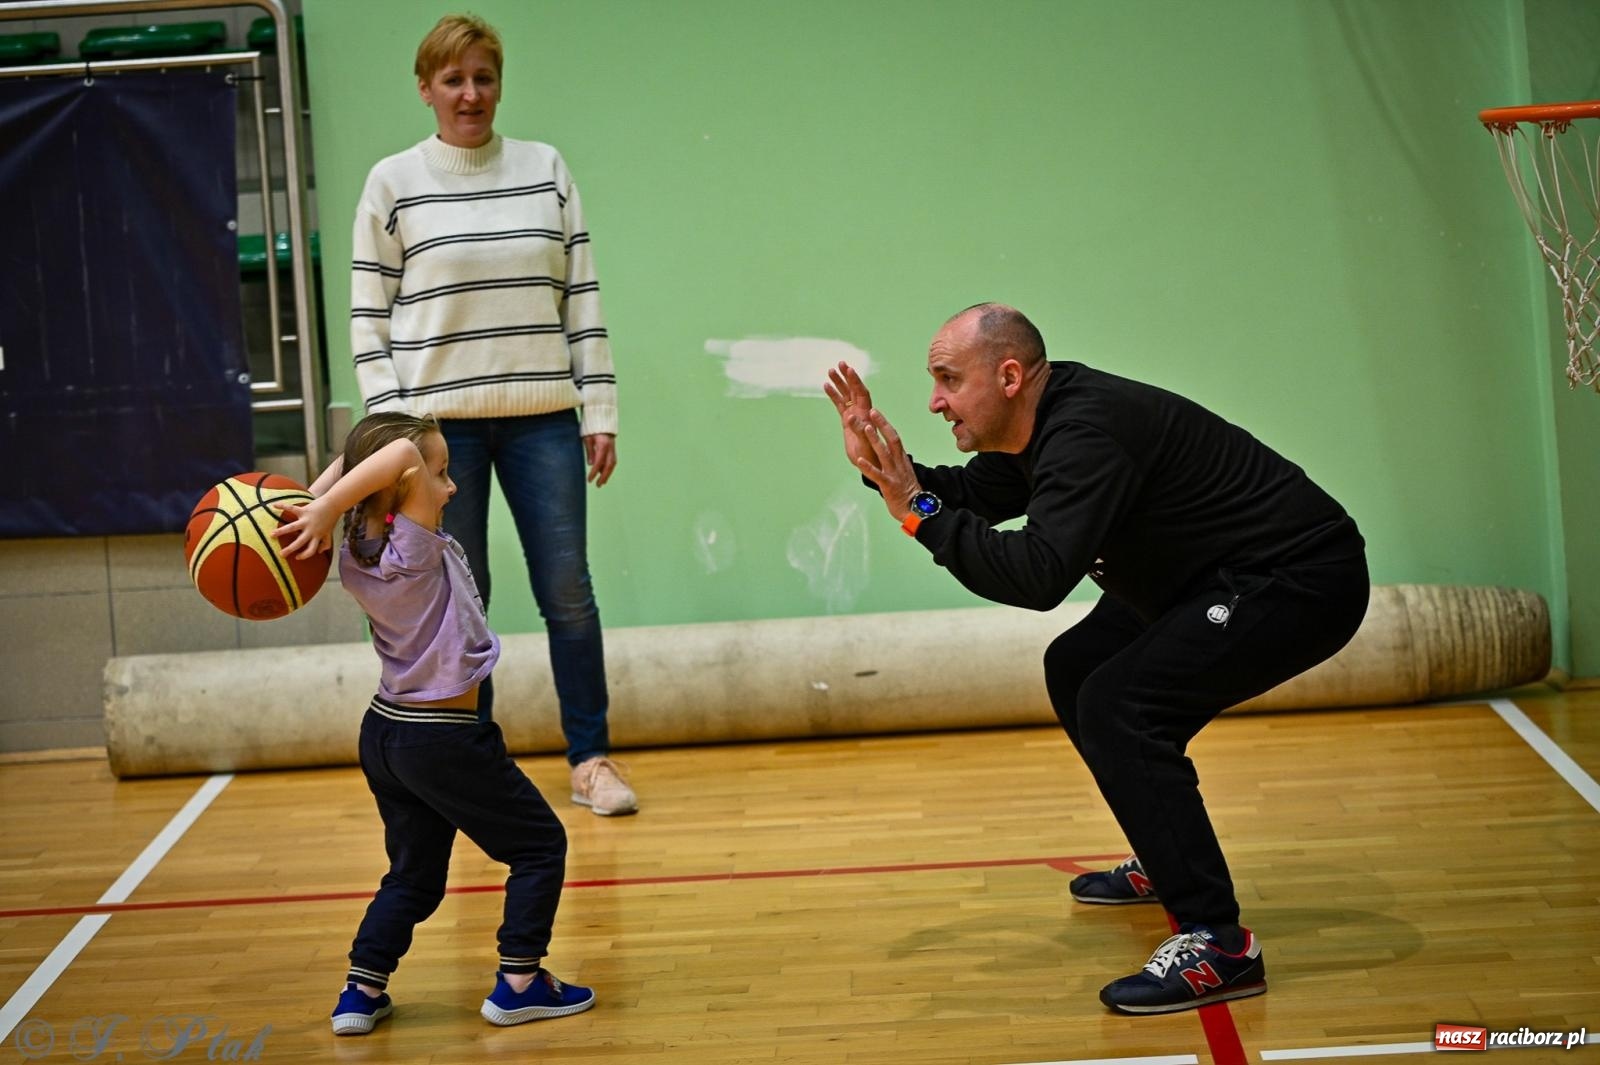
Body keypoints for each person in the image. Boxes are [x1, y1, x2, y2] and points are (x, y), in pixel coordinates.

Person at [824, 303, 1369, 1015]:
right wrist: (883, 470)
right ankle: (1166, 853)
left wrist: (914, 510)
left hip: (1295, 579)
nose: (934, 401)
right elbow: (969, 496)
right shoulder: (1037, 425)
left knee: (1121, 706)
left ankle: (1220, 943)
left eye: (949, 379)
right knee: (1078, 666)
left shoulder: (1086, 432)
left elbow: (1037, 575)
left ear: (1009, 376)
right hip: (1200, 577)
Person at [349, 13, 634, 816]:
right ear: (426, 88)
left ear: (499, 84)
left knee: (568, 591)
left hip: (545, 418)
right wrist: (397, 437)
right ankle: (471, 764)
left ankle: (592, 760)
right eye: (454, 80)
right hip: (436, 437)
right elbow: (368, 317)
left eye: (484, 78)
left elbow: (582, 297)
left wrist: (598, 406)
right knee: (454, 603)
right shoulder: (392, 183)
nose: (471, 94)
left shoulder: (547, 169)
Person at [273, 411, 596, 1035]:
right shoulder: (412, 547)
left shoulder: (357, 548)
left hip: (385, 734)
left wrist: (315, 503)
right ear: (402, 490)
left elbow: (374, 461)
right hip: (441, 738)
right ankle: (521, 981)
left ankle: (361, 991)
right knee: (539, 846)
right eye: (439, 474)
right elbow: (398, 455)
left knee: (414, 877)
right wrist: (330, 500)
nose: (450, 486)